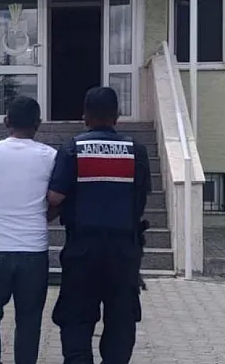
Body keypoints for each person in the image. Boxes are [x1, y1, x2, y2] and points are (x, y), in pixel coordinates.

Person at [47, 87, 151, 364]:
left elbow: (55, 197)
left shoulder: (73, 148)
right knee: (121, 318)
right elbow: (141, 198)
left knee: (76, 316)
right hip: (124, 250)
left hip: (83, 249)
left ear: (85, 116)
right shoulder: (136, 151)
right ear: (117, 116)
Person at [0, 96, 57, 364]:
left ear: (6, 121)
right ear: (38, 123)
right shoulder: (52, 157)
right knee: (29, 319)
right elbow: (58, 200)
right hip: (34, 250)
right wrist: (41, 219)